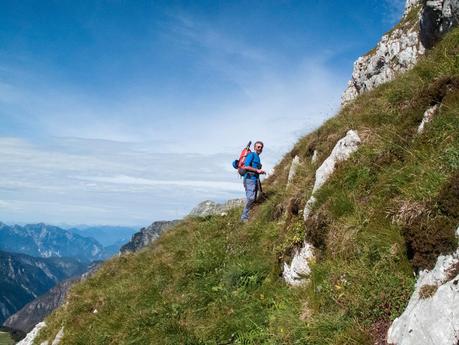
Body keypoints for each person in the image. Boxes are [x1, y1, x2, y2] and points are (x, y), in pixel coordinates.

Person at [240, 141, 266, 222]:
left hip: (255, 179)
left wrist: (260, 172)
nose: (260, 148)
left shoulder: (258, 157)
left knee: (255, 198)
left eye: (261, 147)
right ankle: (244, 217)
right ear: (254, 148)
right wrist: (257, 170)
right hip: (249, 179)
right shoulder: (251, 155)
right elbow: (246, 166)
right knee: (250, 198)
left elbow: (256, 169)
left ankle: (250, 216)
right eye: (258, 147)